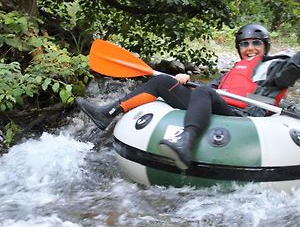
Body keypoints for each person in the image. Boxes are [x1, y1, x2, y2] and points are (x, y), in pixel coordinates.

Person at [76, 23, 300, 170]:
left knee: (204, 91)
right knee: (165, 81)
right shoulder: (235, 69)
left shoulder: (274, 67)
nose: (250, 48)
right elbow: (210, 89)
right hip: (219, 106)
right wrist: (183, 81)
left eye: (256, 43)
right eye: (245, 44)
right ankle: (109, 112)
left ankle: (185, 142)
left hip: (244, 117)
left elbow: (290, 71)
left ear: (265, 46)